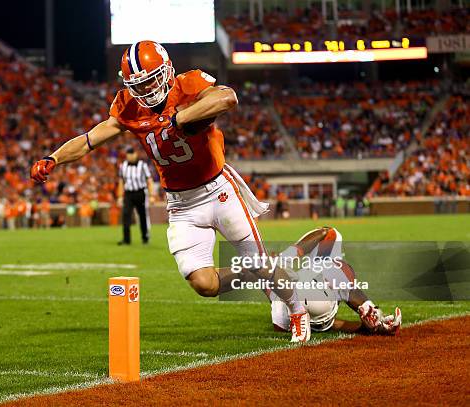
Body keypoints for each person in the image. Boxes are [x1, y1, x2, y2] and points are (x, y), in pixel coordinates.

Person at [31, 40, 311, 342]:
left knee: (257, 261)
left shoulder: (187, 84)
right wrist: (54, 157)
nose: (148, 89)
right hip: (181, 204)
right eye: (140, 84)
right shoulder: (127, 106)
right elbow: (89, 139)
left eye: (152, 79)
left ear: (166, 72)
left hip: (218, 189)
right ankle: (261, 273)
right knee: (205, 284)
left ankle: (297, 310)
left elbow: (227, 98)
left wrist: (181, 117)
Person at [270, 227, 402, 335]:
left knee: (331, 236)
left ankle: (286, 257)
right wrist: (371, 323)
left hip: (307, 277)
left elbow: (327, 321)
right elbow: (333, 324)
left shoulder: (281, 315)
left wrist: (283, 258)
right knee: (342, 271)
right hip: (309, 283)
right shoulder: (284, 319)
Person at [117, 147, 155, 245]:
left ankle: (145, 237)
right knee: (126, 215)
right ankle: (126, 239)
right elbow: (121, 181)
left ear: (135, 154)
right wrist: (120, 196)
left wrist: (151, 195)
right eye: (128, 155)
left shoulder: (143, 165)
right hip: (128, 194)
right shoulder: (123, 165)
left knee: (142, 216)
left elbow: (149, 180)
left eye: (131, 154)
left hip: (140, 193)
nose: (129, 157)